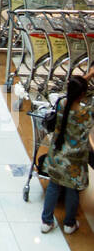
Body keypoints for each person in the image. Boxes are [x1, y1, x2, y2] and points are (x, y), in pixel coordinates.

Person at [40, 71, 94, 236]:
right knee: (72, 191)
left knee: (53, 187)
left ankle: (46, 221)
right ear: (83, 95)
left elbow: (75, 89)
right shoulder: (86, 114)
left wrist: (87, 77)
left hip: (57, 156)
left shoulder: (62, 103)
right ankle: (69, 224)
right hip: (74, 162)